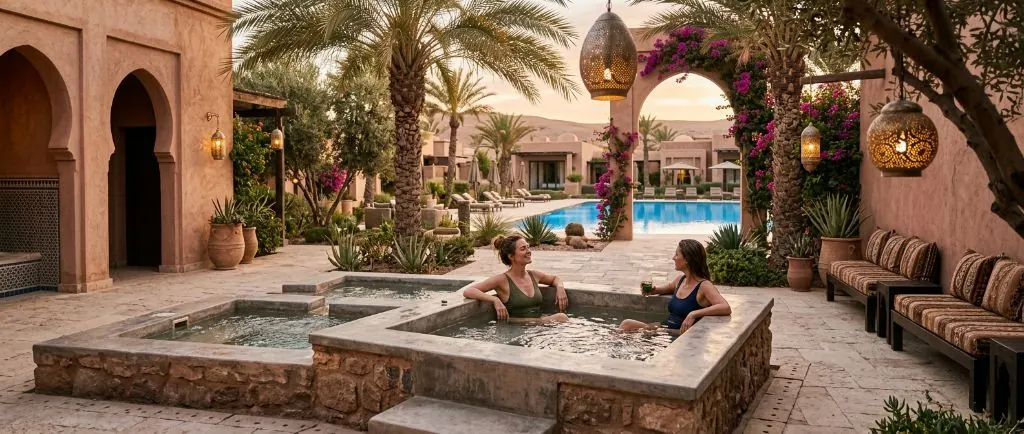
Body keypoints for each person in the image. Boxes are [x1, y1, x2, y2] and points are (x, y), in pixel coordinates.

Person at [619, 239, 731, 334]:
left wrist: (694, 314)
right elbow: (667, 288)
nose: (673, 258)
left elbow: (725, 307)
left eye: (677, 254)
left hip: (678, 334)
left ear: (687, 259)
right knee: (626, 324)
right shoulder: (680, 280)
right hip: (664, 329)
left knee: (627, 329)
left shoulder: (704, 286)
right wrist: (653, 290)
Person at [463, 234, 569, 323]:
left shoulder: (534, 275)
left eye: (528, 247)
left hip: (536, 328)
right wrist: (495, 300)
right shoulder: (502, 280)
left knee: (562, 318)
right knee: (561, 317)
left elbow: (555, 279)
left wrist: (560, 288)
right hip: (515, 328)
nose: (529, 251)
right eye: (523, 248)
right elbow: (469, 291)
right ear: (511, 256)